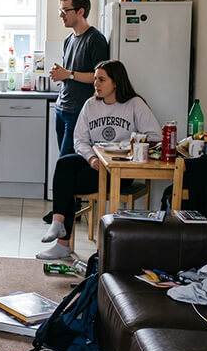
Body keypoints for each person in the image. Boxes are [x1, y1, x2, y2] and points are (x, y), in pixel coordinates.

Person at [36, 60, 161, 260]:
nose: (96, 84)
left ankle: (62, 241)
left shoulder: (134, 104)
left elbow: (156, 136)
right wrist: (92, 157)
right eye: (95, 79)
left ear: (116, 83)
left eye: (101, 80)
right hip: (96, 166)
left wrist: (131, 146)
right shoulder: (91, 105)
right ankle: (58, 224)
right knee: (64, 164)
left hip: (121, 170)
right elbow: (80, 140)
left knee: (66, 184)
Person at [44, 0, 110, 224]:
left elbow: (98, 77)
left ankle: (62, 214)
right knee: (67, 162)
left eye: (65, 10)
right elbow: (71, 75)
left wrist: (68, 74)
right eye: (60, 10)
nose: (61, 15)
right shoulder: (69, 39)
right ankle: (68, 208)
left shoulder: (96, 39)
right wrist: (61, 75)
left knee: (66, 162)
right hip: (63, 107)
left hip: (79, 113)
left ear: (80, 12)